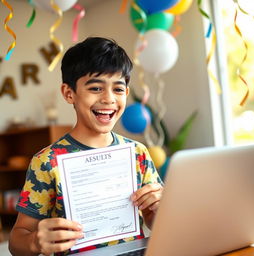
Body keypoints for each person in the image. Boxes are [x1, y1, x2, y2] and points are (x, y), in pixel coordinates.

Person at [8, 36, 163, 256]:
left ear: (126, 93)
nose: (109, 99)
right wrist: (35, 242)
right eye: (96, 88)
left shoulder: (138, 153)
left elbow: (158, 224)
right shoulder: (47, 162)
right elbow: (16, 241)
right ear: (69, 93)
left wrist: (156, 213)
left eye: (118, 89)